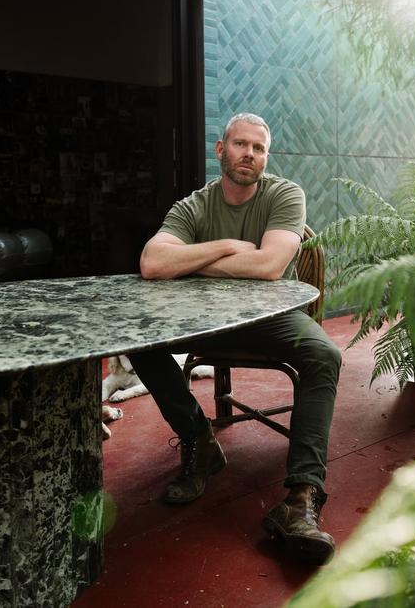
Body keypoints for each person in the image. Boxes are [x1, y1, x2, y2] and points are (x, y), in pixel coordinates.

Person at [130, 112, 341, 564]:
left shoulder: (285, 193)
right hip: (204, 318)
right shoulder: (195, 205)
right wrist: (228, 246)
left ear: (266, 156)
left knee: (323, 352)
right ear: (220, 149)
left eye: (259, 148)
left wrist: (190, 261)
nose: (249, 154)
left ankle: (301, 499)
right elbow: (152, 263)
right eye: (241, 144)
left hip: (270, 315)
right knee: (137, 338)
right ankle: (199, 441)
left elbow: (268, 267)